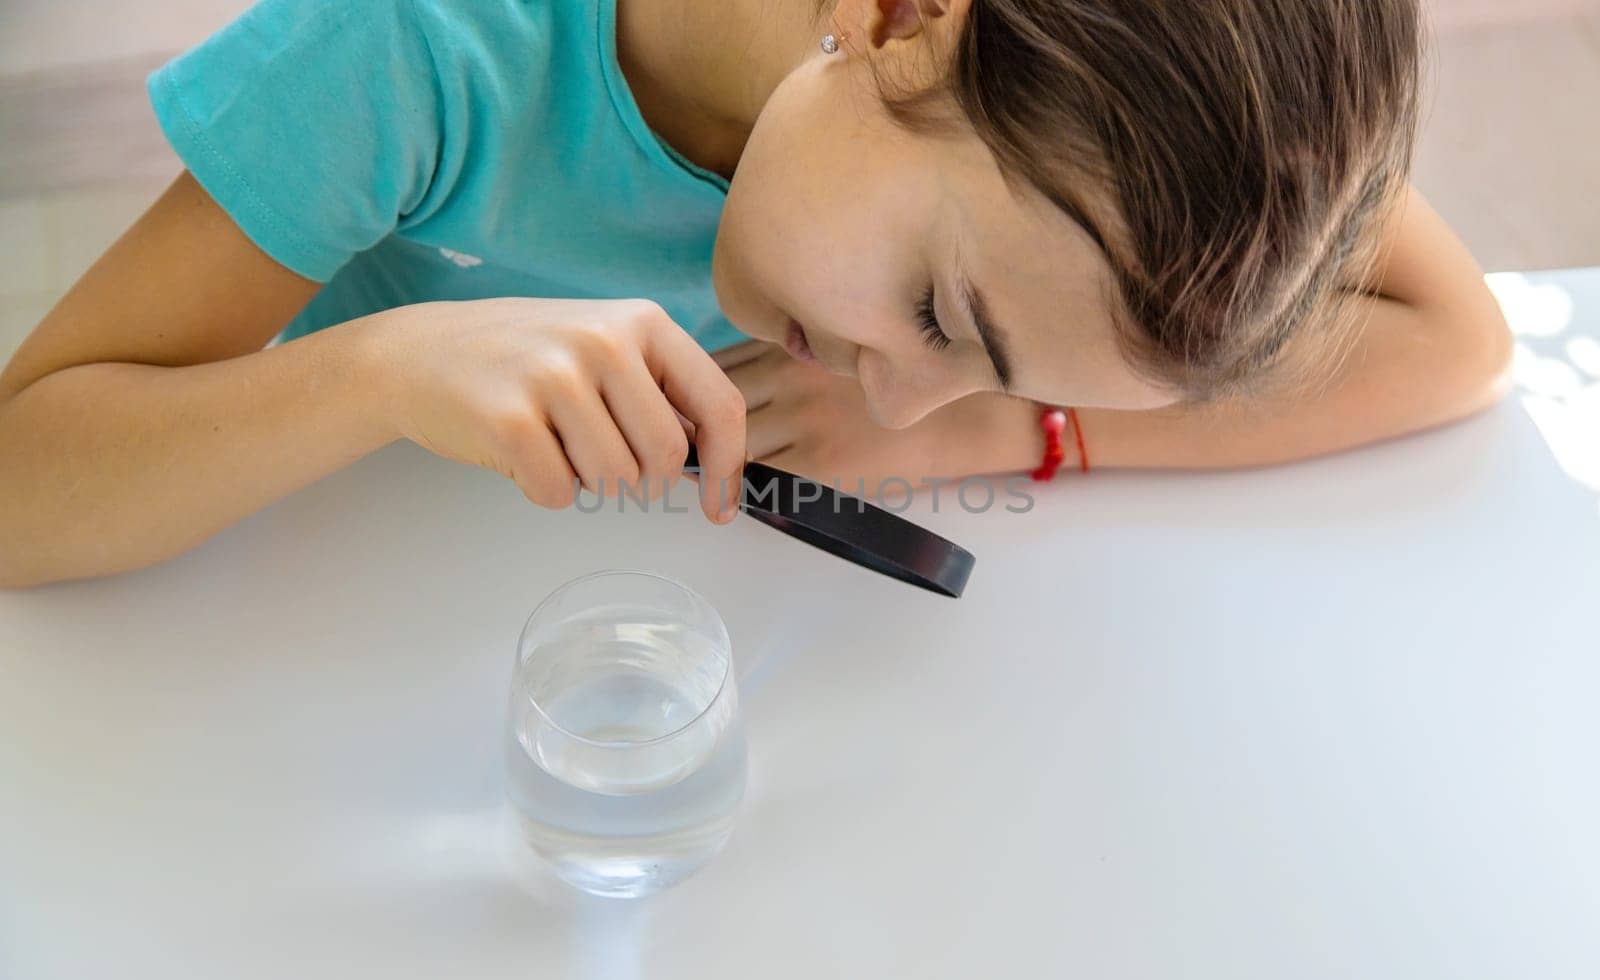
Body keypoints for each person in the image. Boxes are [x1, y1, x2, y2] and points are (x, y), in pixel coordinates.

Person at [0, 0, 1511, 587]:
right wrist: (389, 369)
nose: (897, 393)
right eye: (939, 319)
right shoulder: (422, 51)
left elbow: (1458, 345)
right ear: (900, 20)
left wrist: (1000, 434)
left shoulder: (1166, 129)